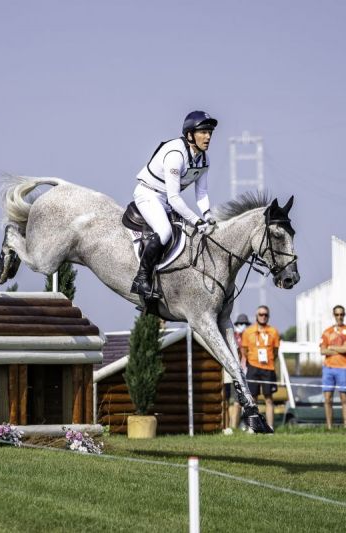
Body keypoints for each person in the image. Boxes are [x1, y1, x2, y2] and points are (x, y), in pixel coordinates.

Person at [131, 110, 218, 298]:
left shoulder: (204, 159)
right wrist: (197, 221)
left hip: (167, 200)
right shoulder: (175, 154)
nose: (208, 136)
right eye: (203, 132)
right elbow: (174, 198)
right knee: (165, 232)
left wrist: (208, 216)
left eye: (210, 132)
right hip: (149, 194)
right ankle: (141, 278)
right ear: (189, 135)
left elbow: (201, 193)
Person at [240, 306, 280, 430]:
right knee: (253, 399)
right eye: (261, 314)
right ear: (256, 316)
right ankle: (253, 427)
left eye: (265, 315)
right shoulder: (248, 331)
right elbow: (244, 350)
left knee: (269, 398)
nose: (263, 316)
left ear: (268, 316)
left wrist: (268, 360)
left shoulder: (273, 331)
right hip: (253, 367)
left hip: (268, 367)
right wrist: (253, 359)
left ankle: (270, 426)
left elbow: (275, 351)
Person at [320, 305, 346, 429]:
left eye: (341, 314)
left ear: (344, 315)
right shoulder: (327, 332)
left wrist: (332, 348)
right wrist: (340, 349)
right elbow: (323, 351)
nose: (339, 317)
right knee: (328, 399)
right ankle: (329, 426)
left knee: (344, 398)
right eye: (337, 314)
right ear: (334, 315)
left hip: (343, 367)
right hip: (328, 368)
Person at [224, 313, 250, 431]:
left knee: (239, 401)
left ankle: (235, 426)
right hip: (229, 373)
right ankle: (228, 425)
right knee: (227, 400)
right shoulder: (231, 336)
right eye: (240, 323)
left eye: (245, 323)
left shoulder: (249, 337)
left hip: (245, 373)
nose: (242, 325)